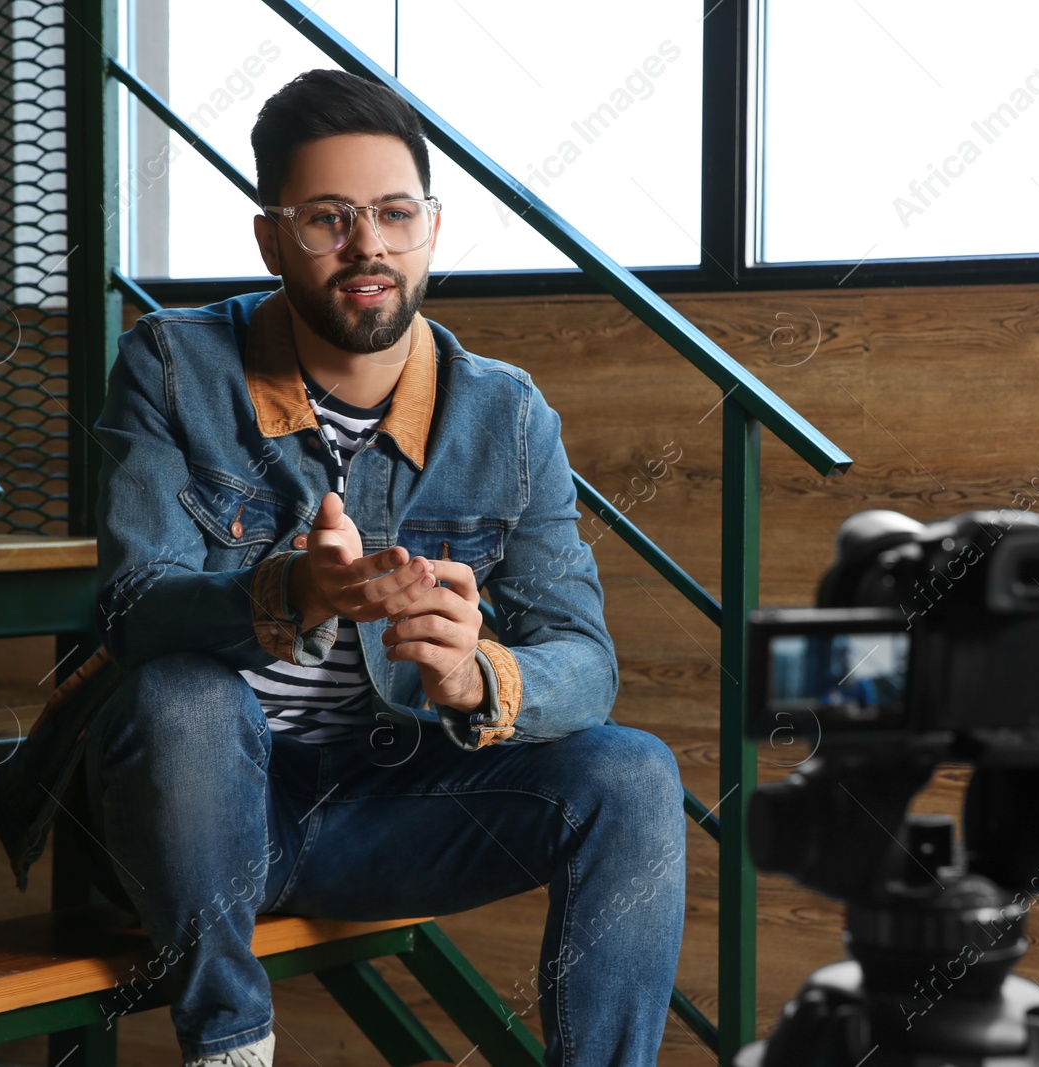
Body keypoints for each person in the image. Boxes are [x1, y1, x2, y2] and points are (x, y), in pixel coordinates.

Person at [63, 68, 686, 1067]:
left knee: (634, 772)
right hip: (208, 814)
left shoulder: (507, 414)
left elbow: (585, 659)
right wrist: (288, 594)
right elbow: (135, 613)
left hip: (389, 811)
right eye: (328, 219)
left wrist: (477, 674)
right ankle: (228, 1042)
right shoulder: (173, 364)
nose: (370, 247)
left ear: (432, 228)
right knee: (182, 692)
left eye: (395, 214)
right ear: (271, 238)